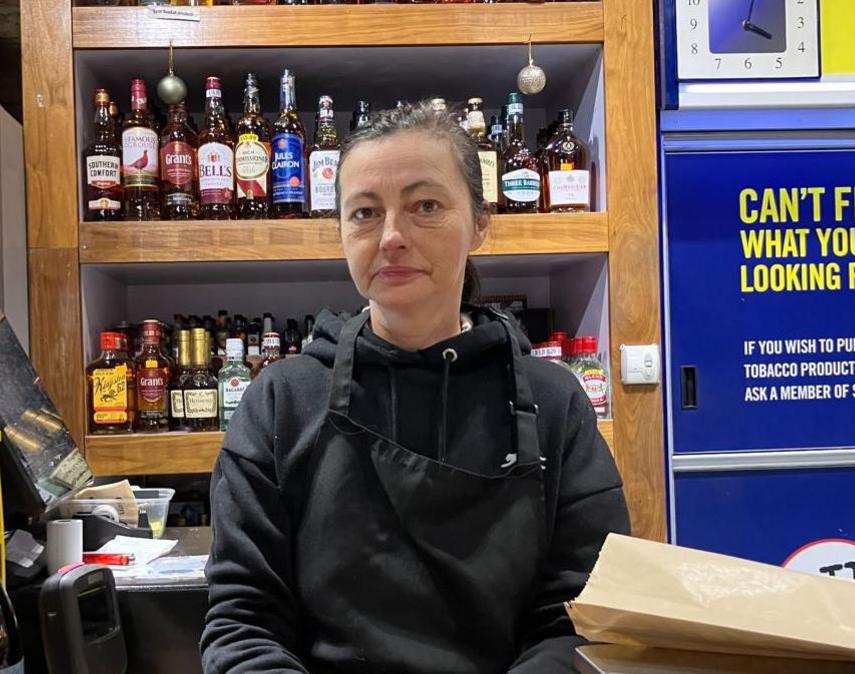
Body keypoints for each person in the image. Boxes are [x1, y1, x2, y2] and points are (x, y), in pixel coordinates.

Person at [201, 101, 630, 673]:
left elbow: (584, 617)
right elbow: (244, 620)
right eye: (364, 212)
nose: (392, 236)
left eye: (425, 206)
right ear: (340, 233)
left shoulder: (554, 403)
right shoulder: (281, 402)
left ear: (480, 222)